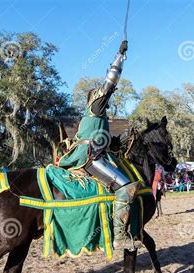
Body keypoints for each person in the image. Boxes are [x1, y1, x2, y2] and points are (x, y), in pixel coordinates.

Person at [58, 40, 140, 251]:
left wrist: (128, 136)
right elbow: (110, 82)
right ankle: (120, 237)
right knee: (126, 187)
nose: (106, 98)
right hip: (90, 157)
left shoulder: (98, 119)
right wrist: (120, 57)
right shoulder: (95, 106)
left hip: (96, 152)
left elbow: (111, 143)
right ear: (95, 97)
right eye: (102, 95)